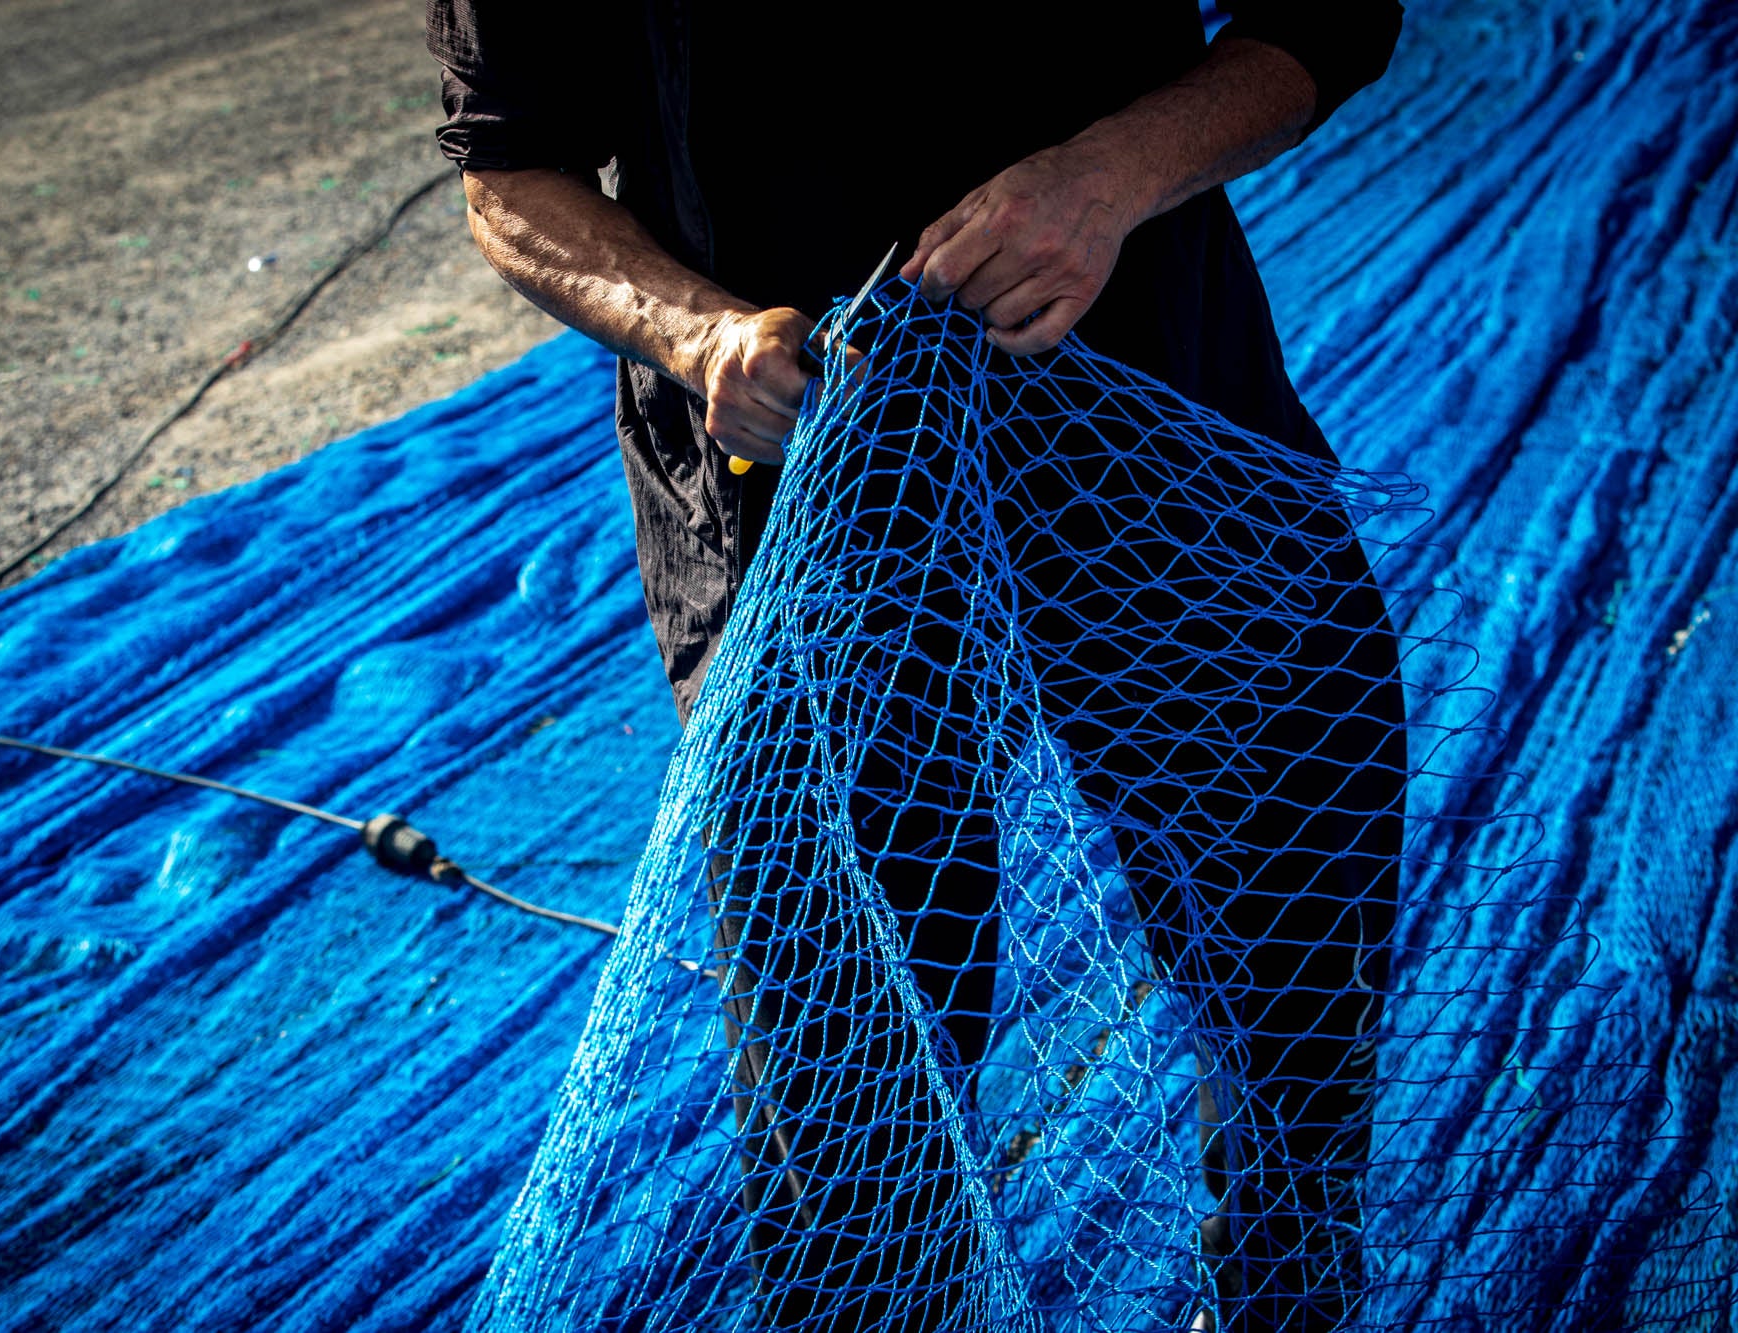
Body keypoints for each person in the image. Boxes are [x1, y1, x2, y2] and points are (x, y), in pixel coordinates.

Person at [429, 6, 1406, 1329]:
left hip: (1149, 398)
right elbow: (510, 169)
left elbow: (1327, 19)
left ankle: (1291, 1281)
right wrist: (698, 332)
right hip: (797, 494)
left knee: (1291, 889)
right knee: (851, 1069)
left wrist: (1106, 178)